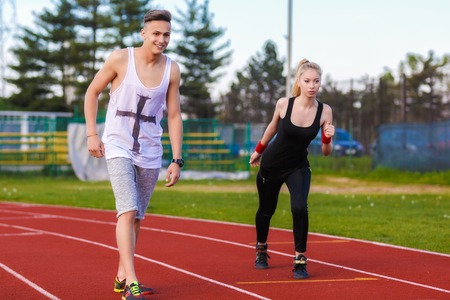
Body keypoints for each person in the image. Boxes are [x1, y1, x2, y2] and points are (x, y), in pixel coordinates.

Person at [84, 9, 183, 300]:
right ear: (144, 33)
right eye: (156, 33)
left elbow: (174, 115)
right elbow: (92, 92)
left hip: (150, 151)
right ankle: (132, 282)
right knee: (126, 210)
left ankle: (121, 275)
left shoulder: (172, 70)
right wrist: (92, 133)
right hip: (117, 145)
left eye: (166, 34)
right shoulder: (120, 58)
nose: (162, 39)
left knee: (137, 216)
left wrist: (177, 160)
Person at [249, 59, 334, 279]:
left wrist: (327, 138)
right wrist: (258, 150)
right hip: (272, 165)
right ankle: (261, 248)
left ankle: (300, 259)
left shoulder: (325, 111)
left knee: (299, 207)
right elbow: (271, 128)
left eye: (316, 81)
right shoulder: (284, 104)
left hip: (298, 166)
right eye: (307, 81)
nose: (312, 85)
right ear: (299, 81)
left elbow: (326, 152)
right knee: (266, 210)